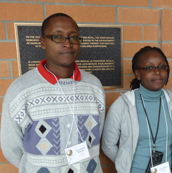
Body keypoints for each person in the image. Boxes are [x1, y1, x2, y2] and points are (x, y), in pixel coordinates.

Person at [1, 13, 105, 173]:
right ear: (43, 42)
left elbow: (97, 132)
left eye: (73, 38)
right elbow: (11, 148)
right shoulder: (21, 90)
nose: (67, 44)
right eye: (58, 37)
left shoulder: (94, 86)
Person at [102, 46, 172, 173]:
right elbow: (108, 146)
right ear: (138, 74)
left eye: (162, 67)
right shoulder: (122, 106)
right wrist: (125, 164)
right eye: (149, 67)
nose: (157, 72)